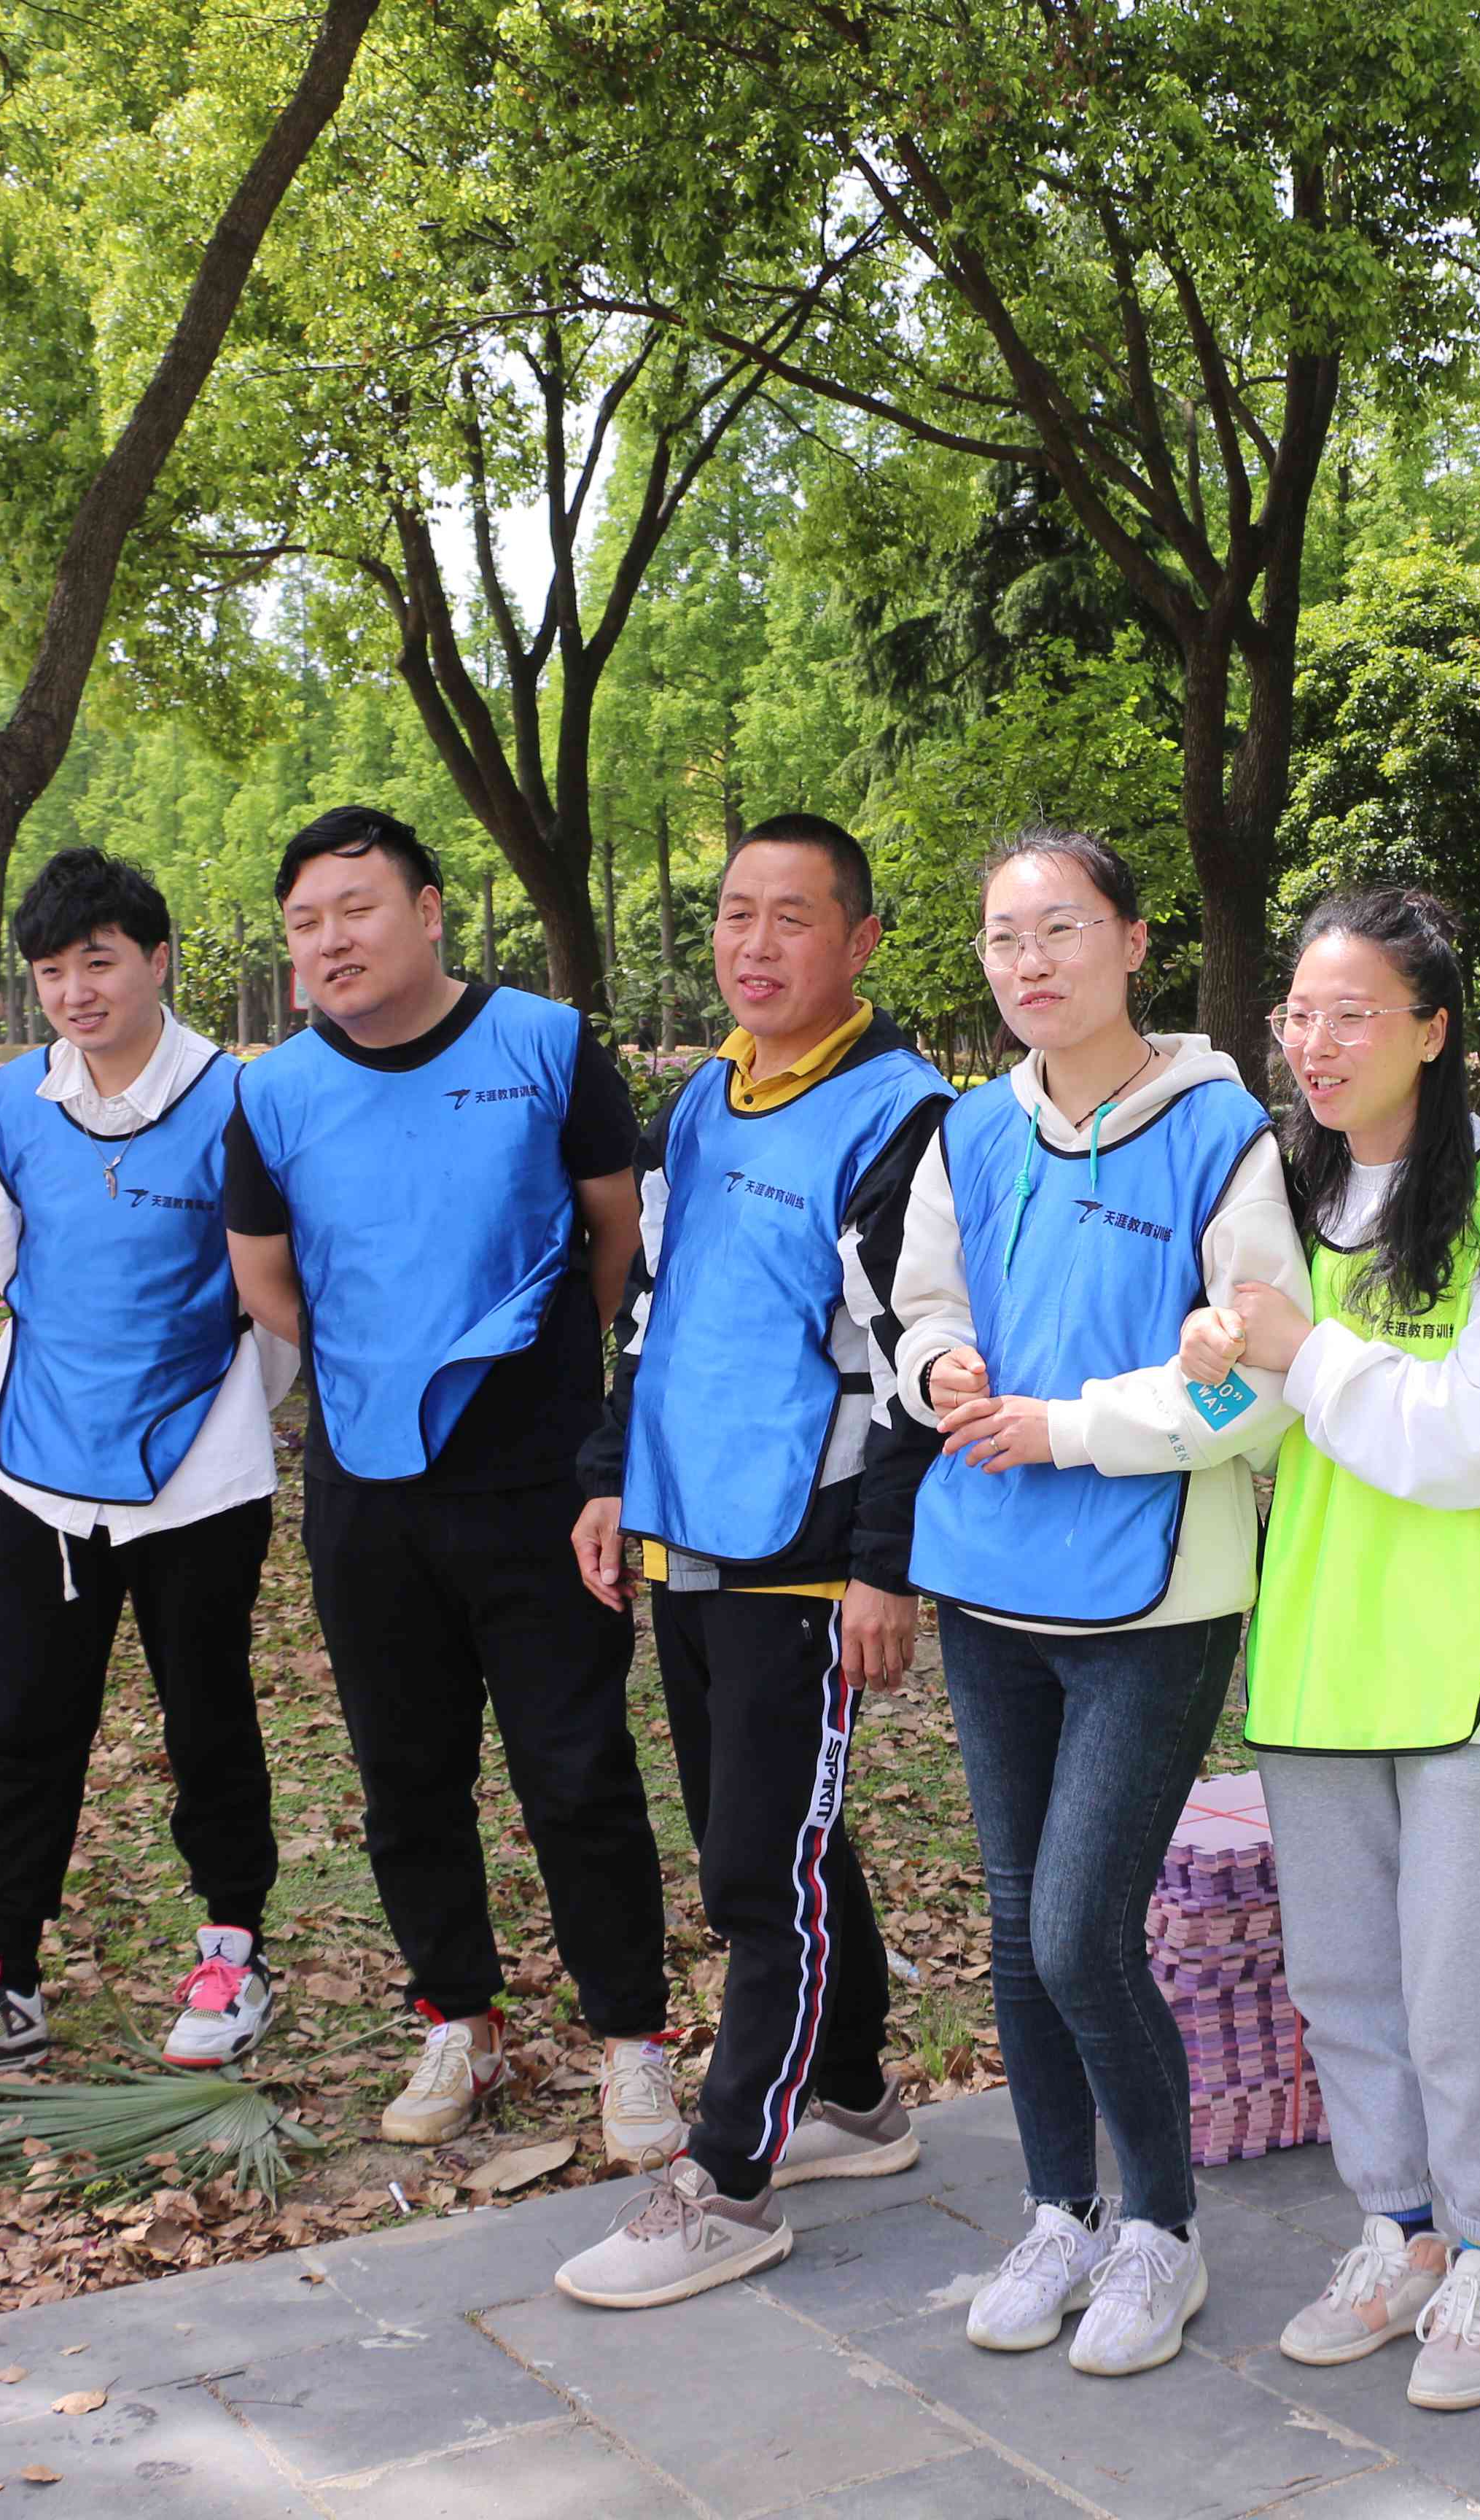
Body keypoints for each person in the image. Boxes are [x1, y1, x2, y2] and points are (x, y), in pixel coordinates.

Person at [885, 827, 1309, 2379]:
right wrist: (937, 1366)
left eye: (1062, 928)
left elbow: (1264, 1382)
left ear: (1134, 942)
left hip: (1154, 1597)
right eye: (1005, 937)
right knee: (1018, 1924)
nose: (1031, 962)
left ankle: (1163, 2233)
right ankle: (1059, 2211)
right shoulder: (969, 1133)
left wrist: (1067, 1427)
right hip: (991, 1578)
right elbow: (921, 1305)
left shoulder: (1221, 1133)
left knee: (1079, 1930)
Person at [1172, 889, 1480, 2414]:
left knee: (1451, 1971)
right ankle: (1396, 2230)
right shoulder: (1279, 1194)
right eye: (1300, 1014)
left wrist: (1308, 1353)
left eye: (1354, 1014)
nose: (1318, 1043)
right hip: (1318, 1633)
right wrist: (1216, 1368)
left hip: (1474, 1643)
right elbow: (1253, 1426)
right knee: (1341, 1970)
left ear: (1432, 1030)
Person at [223, 805, 677, 2160]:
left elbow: (615, 1238)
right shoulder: (274, 1092)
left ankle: (632, 2042)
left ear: (428, 911)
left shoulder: (543, 1042)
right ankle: (457, 2019)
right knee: (405, 1773)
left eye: (356, 909)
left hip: (541, 1482)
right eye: (305, 924)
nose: (330, 941)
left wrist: (540, 1377)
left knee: (576, 1768)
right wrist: (388, 1363)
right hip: (367, 1486)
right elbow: (266, 1278)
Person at [552, 814, 952, 2308]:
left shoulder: (902, 1116)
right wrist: (610, 1477)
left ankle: (727, 2180)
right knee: (783, 1836)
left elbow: (920, 1360)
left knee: (751, 1872)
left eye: (794, 917)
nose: (756, 944)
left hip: (806, 1547)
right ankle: (853, 2094)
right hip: (687, 1524)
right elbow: (649, 1303)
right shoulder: (702, 1099)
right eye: (736, 913)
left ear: (859, 941)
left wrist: (884, 1567)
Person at [0, 849, 295, 2084]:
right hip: (44, 1465)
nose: (74, 992)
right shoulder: (11, 1103)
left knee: (207, 1714)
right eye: (51, 971)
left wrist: (218, 1413)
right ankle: (1, 1976)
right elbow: (16, 1266)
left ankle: (234, 1951)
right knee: (25, 1721)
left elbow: (273, 1298)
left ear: (157, 960)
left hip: (200, 1470)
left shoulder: (241, 1101)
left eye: (98, 962)